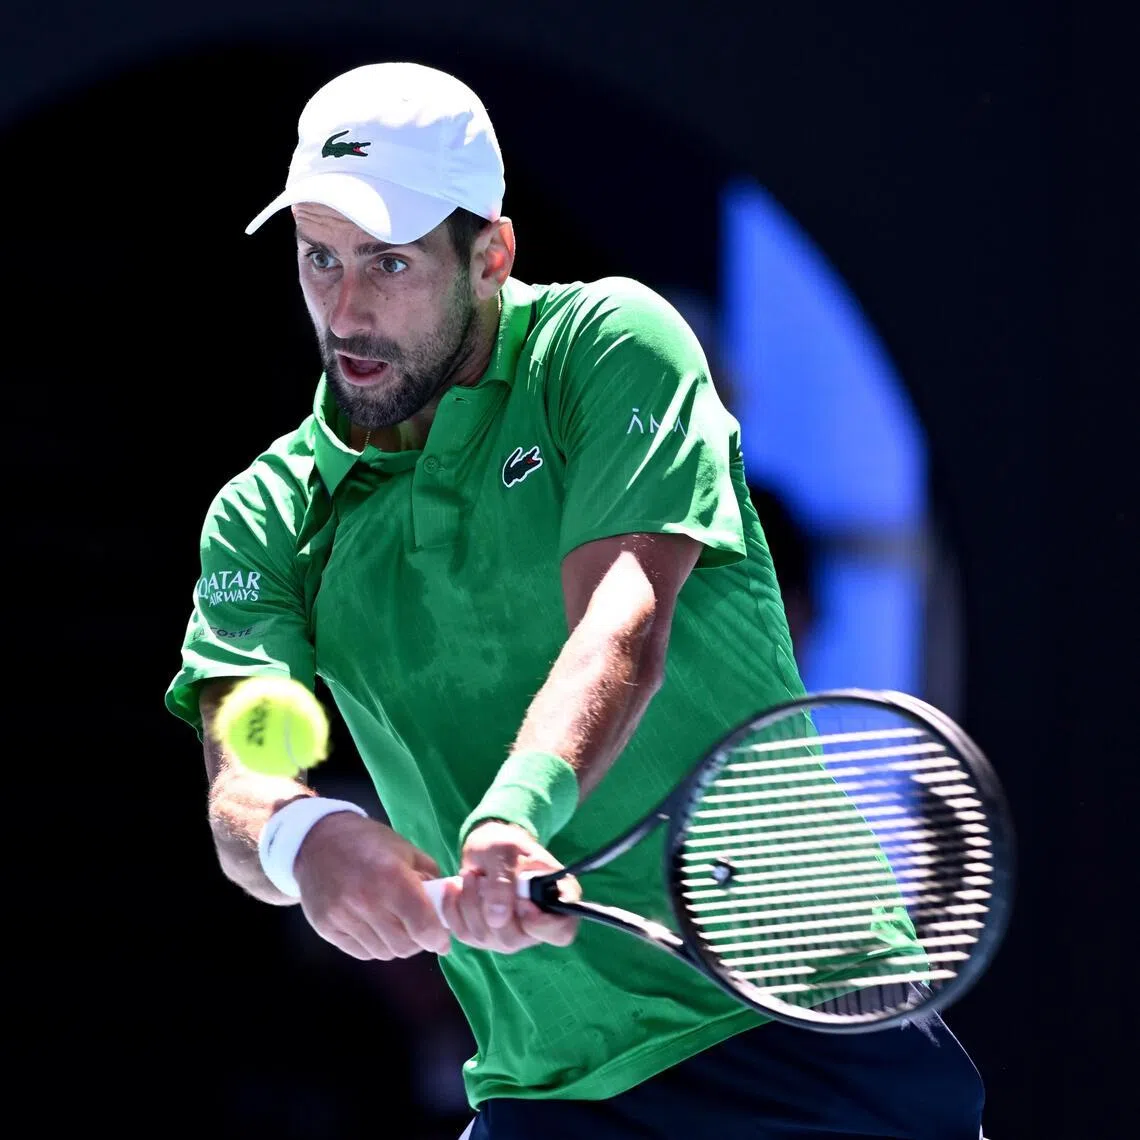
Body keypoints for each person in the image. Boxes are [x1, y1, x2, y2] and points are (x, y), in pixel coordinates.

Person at [166, 61, 986, 1140]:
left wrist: (513, 814)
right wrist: (302, 838)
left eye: (390, 261)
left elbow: (621, 625)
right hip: (548, 1090)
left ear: (490, 254)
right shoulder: (266, 518)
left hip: (803, 1020)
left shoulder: (608, 348)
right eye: (320, 258)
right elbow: (249, 770)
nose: (348, 308)